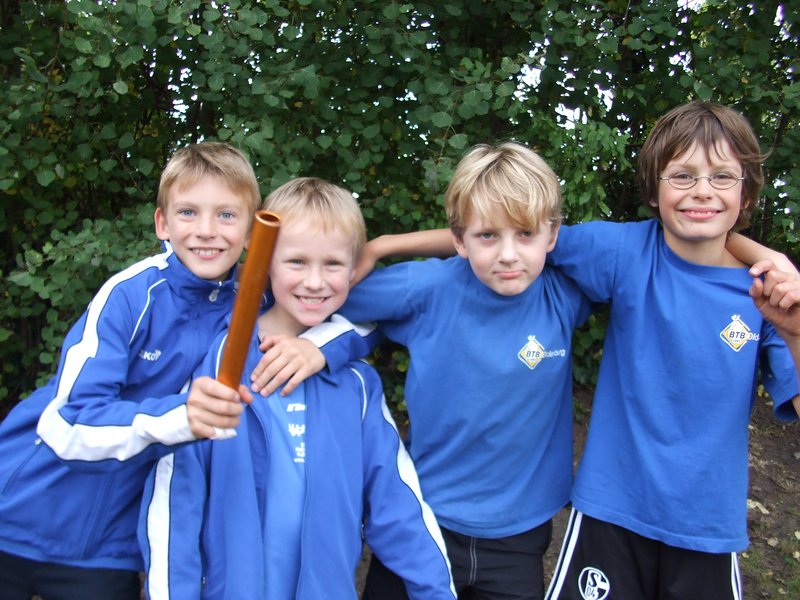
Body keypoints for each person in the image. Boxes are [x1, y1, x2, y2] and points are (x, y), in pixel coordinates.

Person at [0, 143, 335, 599]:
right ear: (162, 223)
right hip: (18, 513)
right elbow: (67, 426)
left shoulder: (260, 295)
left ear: (252, 231)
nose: (206, 231)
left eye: (226, 215)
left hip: (108, 549)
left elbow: (351, 302)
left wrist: (319, 348)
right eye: (188, 213)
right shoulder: (130, 294)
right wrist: (182, 416)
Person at [299, 143, 596, 600]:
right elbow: (320, 298)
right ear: (459, 240)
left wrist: (388, 243)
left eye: (525, 234)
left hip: (520, 534)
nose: (509, 255)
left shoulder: (565, 294)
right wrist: (306, 344)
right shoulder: (427, 288)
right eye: (487, 236)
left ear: (552, 235)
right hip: (422, 519)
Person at [138, 177, 457, 599]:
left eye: (333, 264)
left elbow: (398, 506)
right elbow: (176, 504)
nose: (315, 282)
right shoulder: (217, 364)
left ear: (354, 270)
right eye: (297, 262)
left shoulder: (357, 386)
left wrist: (436, 592)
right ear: (265, 261)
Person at [539, 101, 800, 600]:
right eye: (682, 175)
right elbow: (512, 235)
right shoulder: (625, 252)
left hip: (706, 527)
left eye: (722, 176)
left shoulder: (769, 296)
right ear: (654, 191)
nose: (702, 190)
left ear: (746, 195)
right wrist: (386, 248)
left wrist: (796, 334)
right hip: (611, 511)